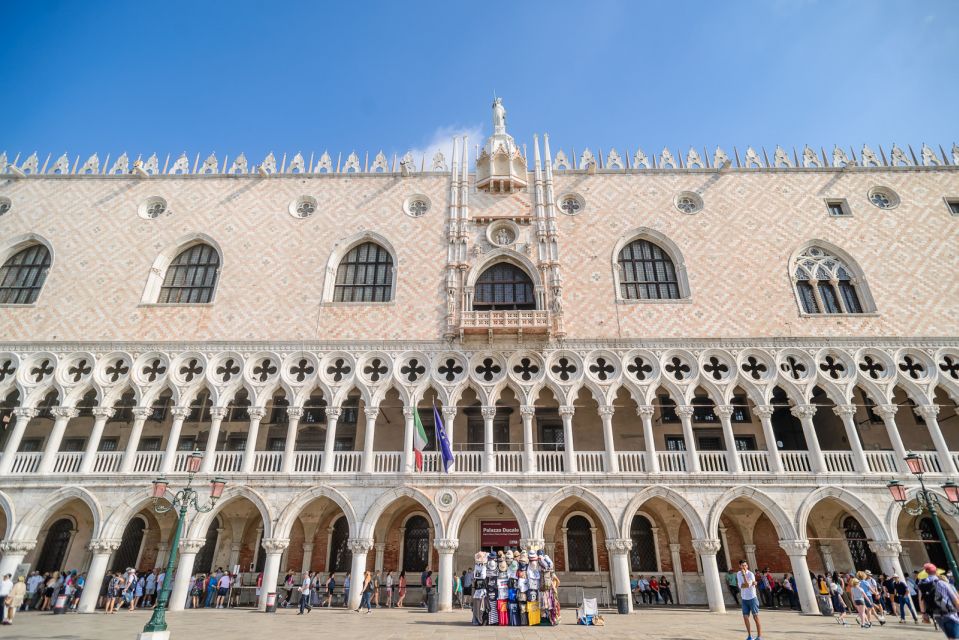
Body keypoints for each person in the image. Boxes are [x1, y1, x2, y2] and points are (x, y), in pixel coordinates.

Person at [919, 563, 959, 638]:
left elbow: (921, 601)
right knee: (955, 637)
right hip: (950, 614)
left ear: (926, 572)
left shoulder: (922, 585)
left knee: (950, 637)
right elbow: (955, 599)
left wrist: (924, 614)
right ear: (936, 571)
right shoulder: (943, 583)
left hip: (936, 615)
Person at [737, 560, 763, 640]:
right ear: (740, 566)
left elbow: (747, 585)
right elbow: (741, 586)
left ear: (747, 566)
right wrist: (747, 584)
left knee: (755, 617)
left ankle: (759, 636)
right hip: (744, 598)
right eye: (742, 565)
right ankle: (749, 636)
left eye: (745, 565)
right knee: (745, 617)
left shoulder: (751, 574)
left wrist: (744, 575)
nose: (744, 567)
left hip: (752, 598)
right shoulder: (738, 574)